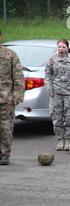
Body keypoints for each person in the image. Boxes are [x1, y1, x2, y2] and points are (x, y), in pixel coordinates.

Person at [45, 39, 70, 151]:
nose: (61, 49)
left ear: (67, 48)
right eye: (59, 47)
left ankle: (68, 139)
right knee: (56, 117)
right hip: (56, 93)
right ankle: (60, 139)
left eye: (63, 47)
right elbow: (47, 74)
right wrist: (49, 88)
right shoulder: (52, 59)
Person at [0, 29, 24, 165]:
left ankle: (4, 154)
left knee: (5, 127)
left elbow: (19, 78)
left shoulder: (10, 55)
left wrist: (17, 96)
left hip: (5, 99)